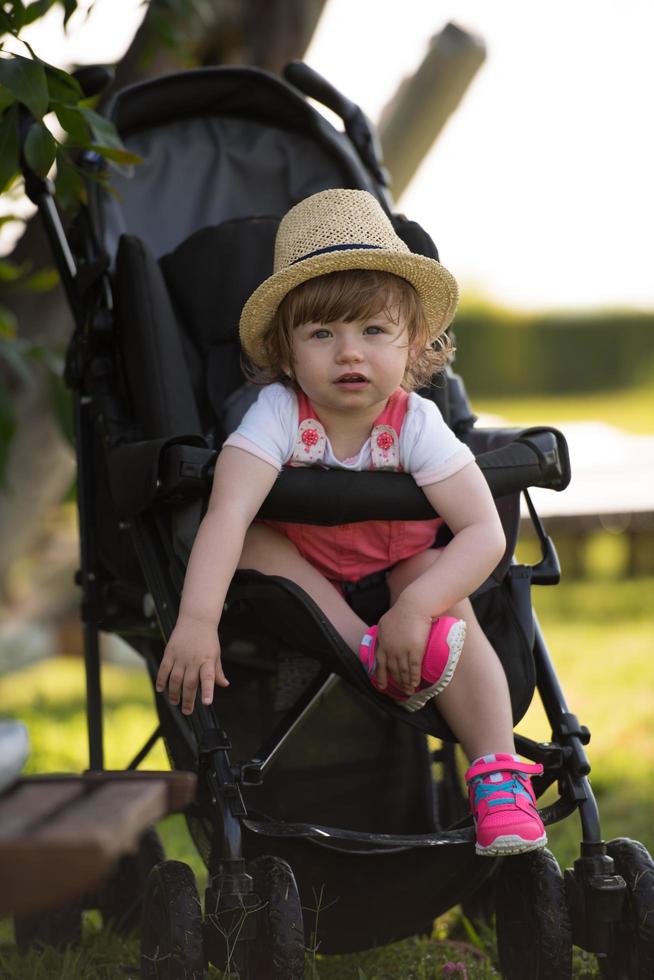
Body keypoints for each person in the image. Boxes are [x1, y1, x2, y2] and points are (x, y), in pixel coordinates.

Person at [156, 188, 546, 857]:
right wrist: (196, 621)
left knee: (443, 586)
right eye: (322, 334)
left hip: (401, 568)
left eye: (373, 331)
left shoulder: (416, 422)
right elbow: (226, 513)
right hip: (303, 575)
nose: (350, 355)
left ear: (414, 343)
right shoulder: (276, 414)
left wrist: (417, 608)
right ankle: (363, 649)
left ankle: (497, 775)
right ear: (284, 352)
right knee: (251, 535)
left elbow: (483, 531)